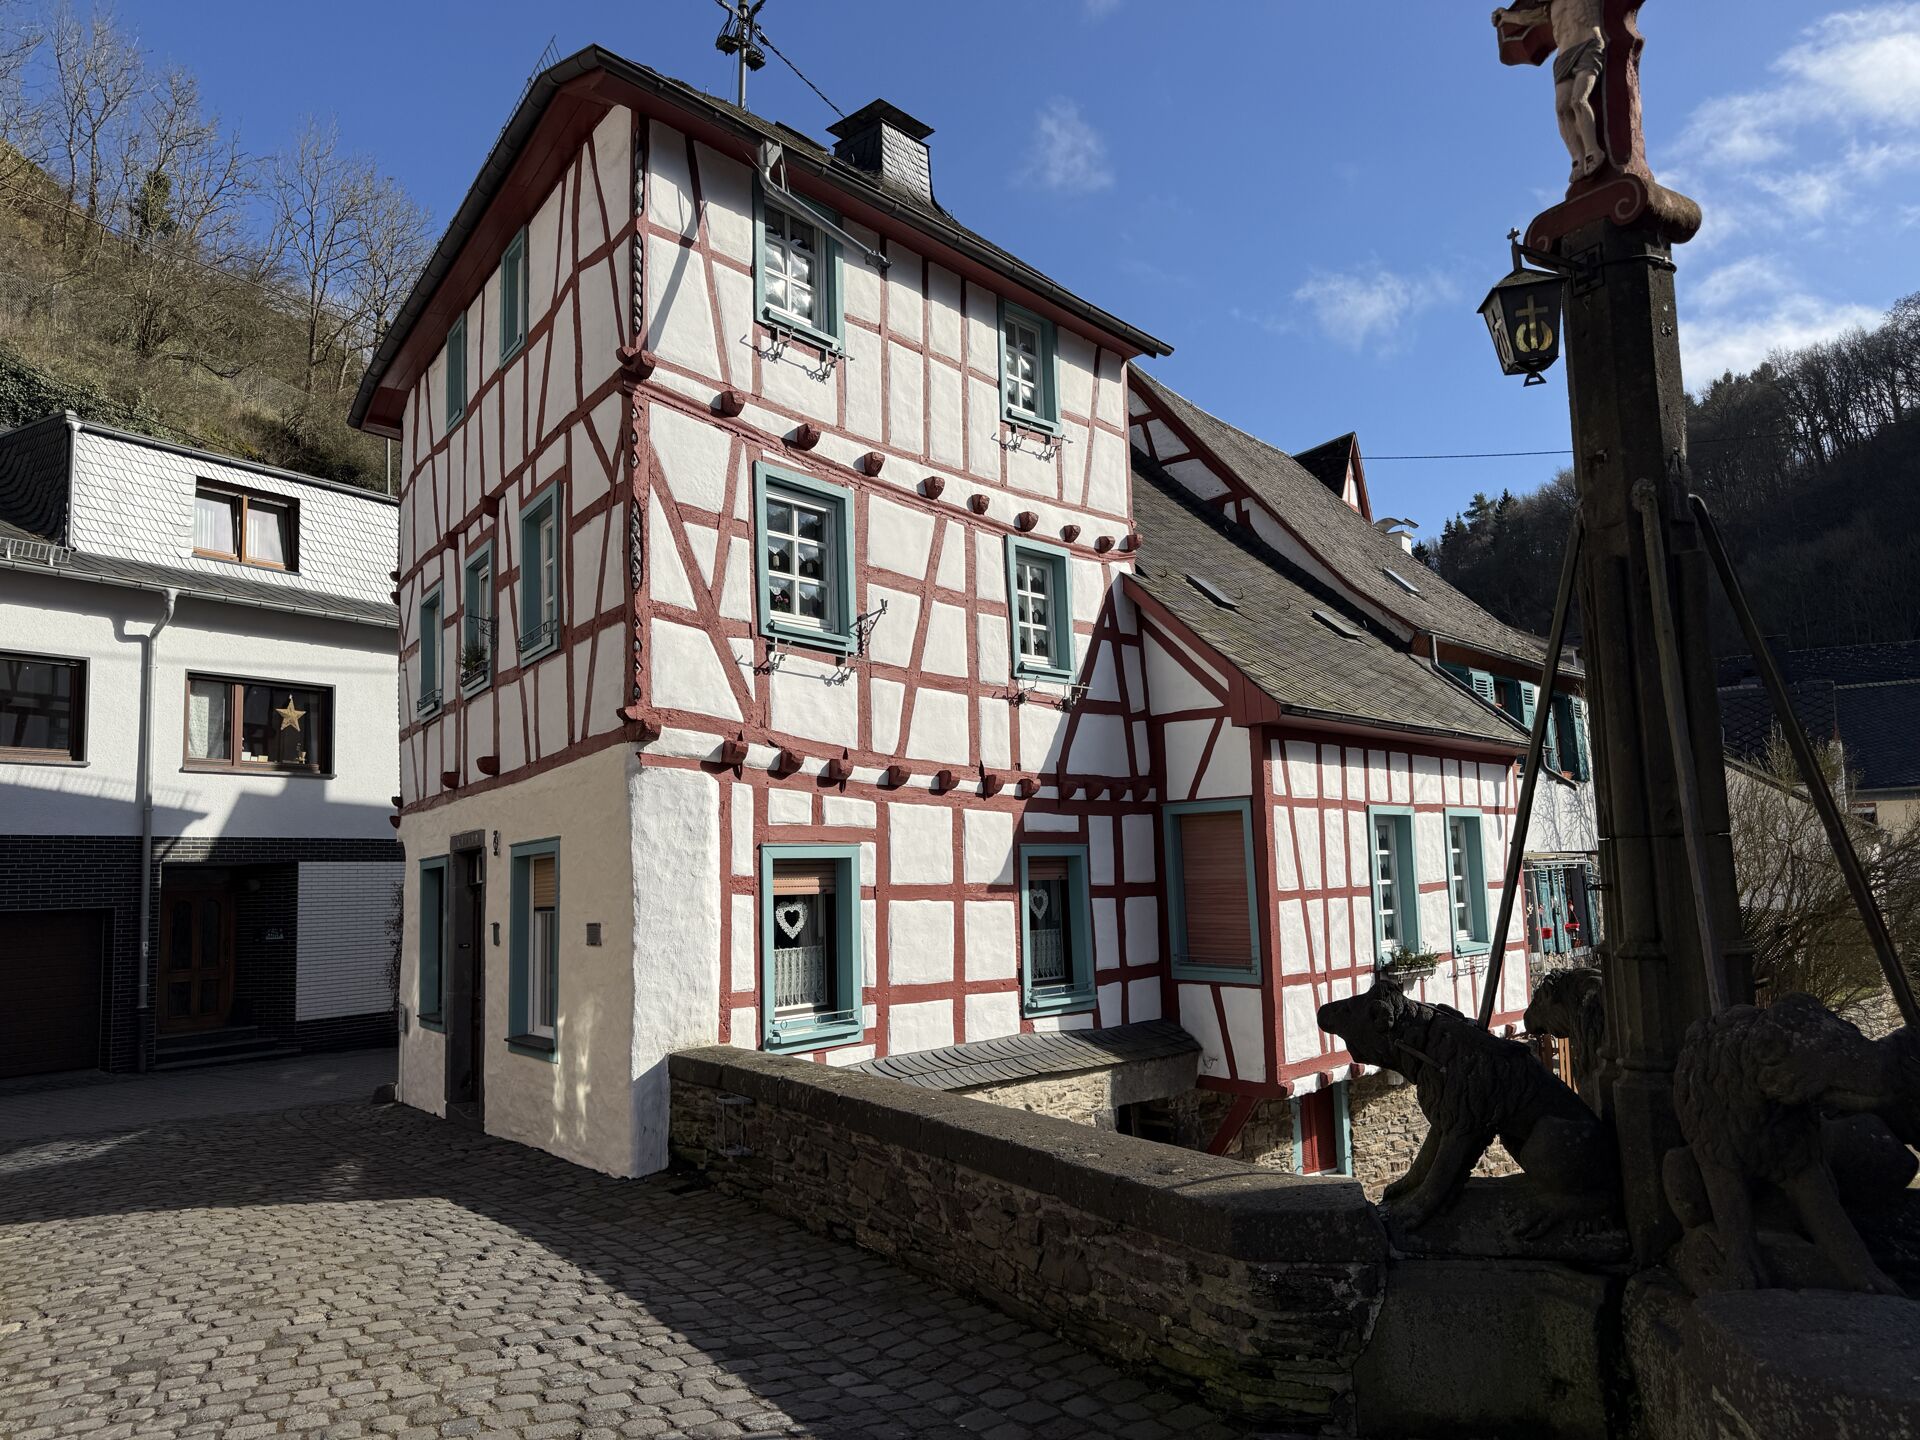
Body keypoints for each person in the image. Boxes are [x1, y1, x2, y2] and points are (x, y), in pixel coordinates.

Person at [1493, 0, 1608, 182]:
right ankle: (1577, 158)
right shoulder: (1551, 6)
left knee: (1578, 100)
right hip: (1563, 56)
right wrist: (1506, 16)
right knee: (1562, 109)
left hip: (1588, 43)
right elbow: (1527, 18)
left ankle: (1593, 152)